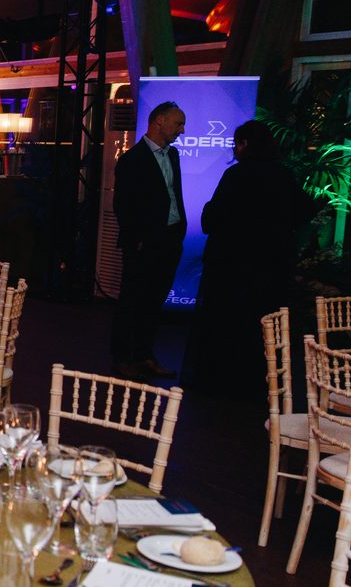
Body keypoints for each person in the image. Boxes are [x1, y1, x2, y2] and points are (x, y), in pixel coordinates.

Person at [187, 121, 309, 396]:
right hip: (270, 268)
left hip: (231, 267)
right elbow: (305, 211)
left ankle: (223, 379)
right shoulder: (283, 176)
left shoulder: (236, 176)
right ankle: (258, 382)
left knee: (227, 323)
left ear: (243, 144)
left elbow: (211, 220)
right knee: (262, 325)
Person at [111, 100, 187, 382]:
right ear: (159, 122)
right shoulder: (132, 160)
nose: (182, 129)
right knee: (132, 301)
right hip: (144, 243)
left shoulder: (173, 156)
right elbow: (124, 205)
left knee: (155, 301)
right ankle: (123, 357)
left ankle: (145, 355)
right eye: (177, 123)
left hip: (170, 238)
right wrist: (136, 239)